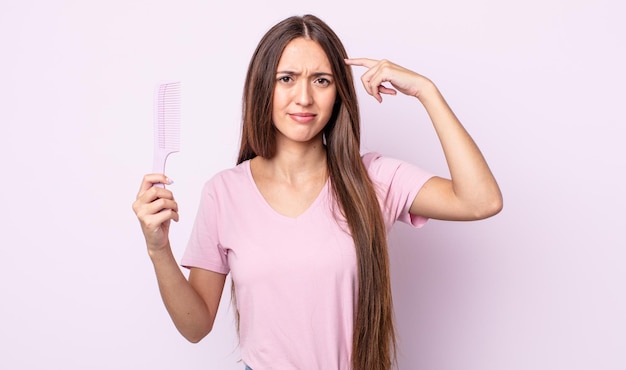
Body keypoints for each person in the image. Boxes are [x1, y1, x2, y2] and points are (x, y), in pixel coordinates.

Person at [132, 14, 502, 370]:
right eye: (287, 78)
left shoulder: (372, 178)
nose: (304, 98)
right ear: (264, 86)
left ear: (339, 92)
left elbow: (481, 200)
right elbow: (195, 327)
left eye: (321, 80)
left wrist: (426, 91)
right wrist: (158, 249)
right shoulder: (224, 192)